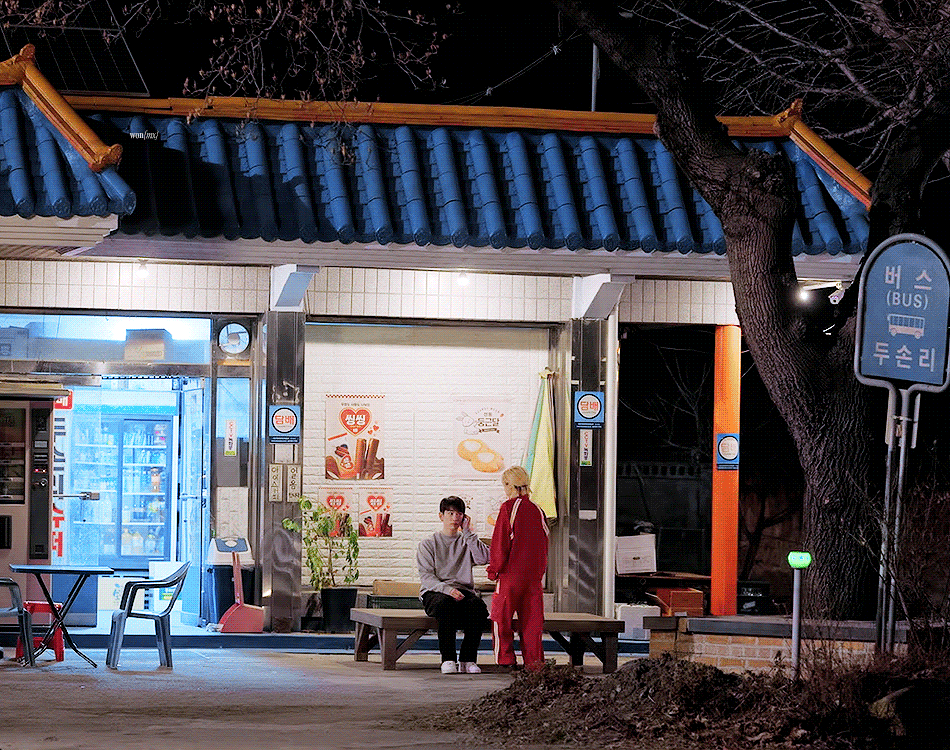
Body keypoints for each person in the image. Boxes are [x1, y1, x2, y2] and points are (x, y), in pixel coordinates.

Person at [417, 495, 490, 674]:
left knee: (478, 607)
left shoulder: (467, 541)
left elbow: (484, 558)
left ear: (464, 517)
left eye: (459, 514)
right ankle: (448, 659)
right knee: (445, 605)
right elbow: (427, 577)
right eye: (450, 513)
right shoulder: (428, 544)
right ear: (441, 516)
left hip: (463, 591)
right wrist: (448, 590)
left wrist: (468, 533)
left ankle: (468, 660)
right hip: (436, 592)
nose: (455, 518)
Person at [488, 465, 549, 671]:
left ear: (509, 485)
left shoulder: (508, 508)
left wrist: (494, 570)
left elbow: (500, 543)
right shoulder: (538, 510)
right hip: (533, 579)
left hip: (511, 576)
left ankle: (506, 659)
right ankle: (534, 663)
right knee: (532, 623)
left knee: (500, 618)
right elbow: (545, 544)